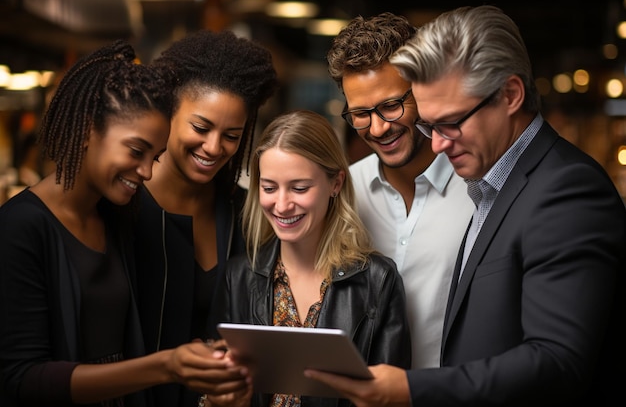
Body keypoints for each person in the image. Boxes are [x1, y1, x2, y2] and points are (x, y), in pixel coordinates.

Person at [304, 5, 626, 407]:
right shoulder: (490, 182)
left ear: (510, 95)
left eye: (451, 122)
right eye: (430, 126)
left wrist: (410, 389)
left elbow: (558, 362)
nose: (437, 144)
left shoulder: (567, 188)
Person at [0, 40, 248, 407]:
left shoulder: (115, 217)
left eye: (155, 156)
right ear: (87, 131)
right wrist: (166, 365)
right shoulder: (20, 226)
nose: (147, 171)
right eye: (135, 151)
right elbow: (21, 378)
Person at [205, 110, 412, 407]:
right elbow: (212, 390)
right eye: (269, 187)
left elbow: (391, 399)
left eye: (299, 188)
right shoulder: (238, 276)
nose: (282, 204)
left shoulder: (378, 280)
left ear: (336, 183)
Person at [131, 29, 278, 407]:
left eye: (232, 135)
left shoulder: (247, 213)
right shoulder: (123, 206)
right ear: (168, 112)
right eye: (201, 127)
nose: (214, 147)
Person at [326, 12, 474, 369]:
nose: (377, 128)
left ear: (424, 88)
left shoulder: (477, 189)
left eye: (391, 105)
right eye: (360, 114)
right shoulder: (343, 191)